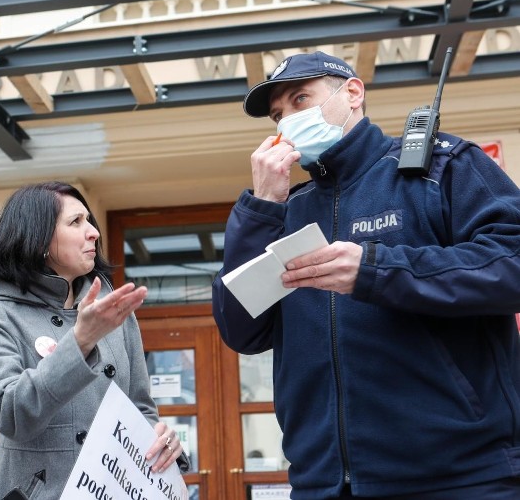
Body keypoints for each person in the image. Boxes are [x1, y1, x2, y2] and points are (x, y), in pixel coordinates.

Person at [212, 51, 520, 499]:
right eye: (279, 114)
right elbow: (241, 330)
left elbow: (512, 261)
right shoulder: (286, 209)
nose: (289, 121)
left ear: (353, 93)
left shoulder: (440, 168)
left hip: (459, 477)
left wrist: (377, 270)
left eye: (301, 99)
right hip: (323, 483)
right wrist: (261, 207)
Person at [0, 181, 187, 499]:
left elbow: (140, 406)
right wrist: (81, 341)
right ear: (38, 240)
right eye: (75, 222)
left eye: (89, 220)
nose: (93, 232)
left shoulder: (111, 310)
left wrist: (160, 438)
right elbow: (11, 414)